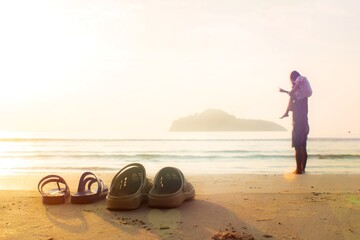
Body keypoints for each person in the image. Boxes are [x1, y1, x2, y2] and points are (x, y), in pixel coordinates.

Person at [280, 71, 312, 174]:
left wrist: (288, 93)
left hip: (298, 123)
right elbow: (292, 102)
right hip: (305, 124)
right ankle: (303, 169)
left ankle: (298, 169)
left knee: (298, 147)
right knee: (303, 146)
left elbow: (292, 105)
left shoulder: (298, 95)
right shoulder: (303, 97)